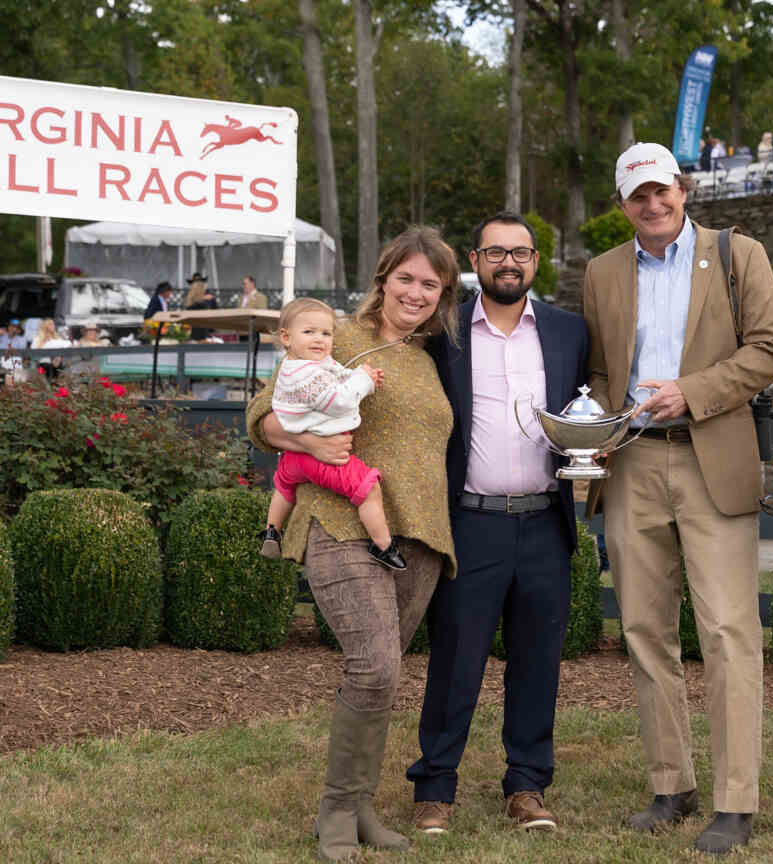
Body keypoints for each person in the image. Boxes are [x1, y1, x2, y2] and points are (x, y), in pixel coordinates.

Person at [583, 141, 773, 854]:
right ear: (623, 204)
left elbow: (770, 350)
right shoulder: (602, 271)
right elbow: (601, 370)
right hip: (631, 462)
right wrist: (594, 424)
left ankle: (735, 800)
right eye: (638, 195)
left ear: (684, 189)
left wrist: (690, 392)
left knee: (728, 632)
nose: (653, 204)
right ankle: (671, 784)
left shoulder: (739, 255)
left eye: (661, 190)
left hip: (712, 460)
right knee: (644, 629)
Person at [245, 225, 461, 861]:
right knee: (374, 665)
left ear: (443, 294)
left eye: (430, 284)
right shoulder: (338, 337)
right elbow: (262, 415)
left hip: (419, 537)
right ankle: (337, 810)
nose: (416, 292)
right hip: (342, 522)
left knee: (383, 676)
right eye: (405, 278)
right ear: (383, 279)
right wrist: (306, 442)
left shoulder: (431, 359)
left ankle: (362, 805)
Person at [406, 212, 588, 835]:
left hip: (545, 522)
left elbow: (587, 411)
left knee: (538, 662)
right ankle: (435, 788)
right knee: (455, 661)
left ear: (535, 261)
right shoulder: (443, 332)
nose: (508, 262)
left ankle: (527, 785)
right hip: (470, 522)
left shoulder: (568, 331)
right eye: (495, 252)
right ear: (475, 261)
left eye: (520, 252)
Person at [259, 297, 403, 571]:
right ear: (286, 337)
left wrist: (364, 377)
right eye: (309, 331)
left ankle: (272, 530)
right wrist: (363, 380)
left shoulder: (304, 364)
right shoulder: (305, 375)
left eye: (326, 333)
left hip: (293, 455)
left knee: (284, 486)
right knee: (368, 487)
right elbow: (339, 401)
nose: (319, 339)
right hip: (320, 456)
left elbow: (337, 376)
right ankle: (383, 544)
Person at [184, 272, 218, 340]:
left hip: (198, 333)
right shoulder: (200, 302)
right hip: (202, 334)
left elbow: (215, 311)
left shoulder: (190, 300)